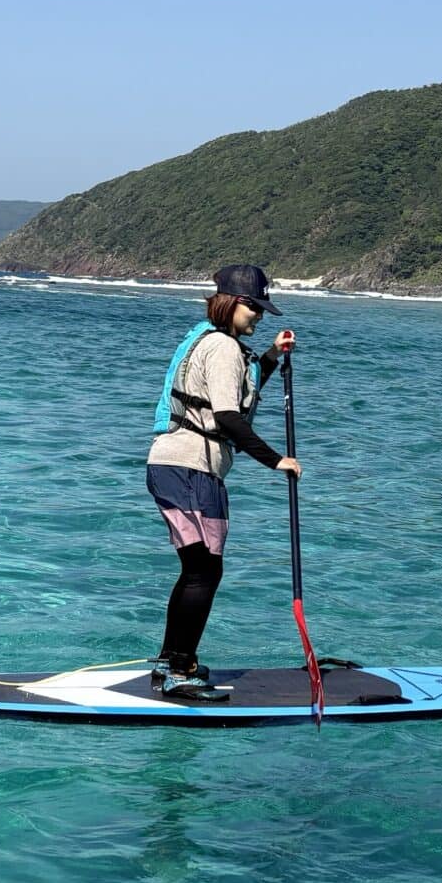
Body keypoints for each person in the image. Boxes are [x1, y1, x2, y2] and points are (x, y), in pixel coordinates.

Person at [143, 264, 302, 698]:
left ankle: (169, 661)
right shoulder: (223, 348)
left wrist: (270, 356)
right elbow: (228, 418)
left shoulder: (215, 343)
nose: (259, 316)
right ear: (231, 302)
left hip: (175, 466)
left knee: (198, 569)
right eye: (254, 307)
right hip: (189, 466)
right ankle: (179, 671)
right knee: (204, 571)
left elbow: (232, 394)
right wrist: (276, 461)